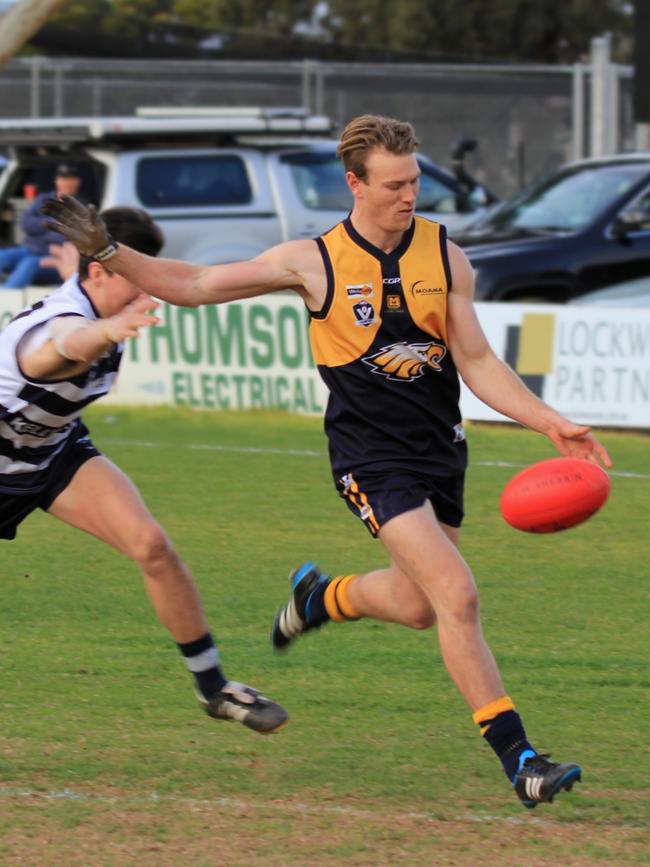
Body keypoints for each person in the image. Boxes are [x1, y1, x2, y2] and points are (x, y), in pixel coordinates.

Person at [42, 115, 611, 808]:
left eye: (414, 182)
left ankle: (320, 597)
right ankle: (521, 758)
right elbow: (193, 280)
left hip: (441, 451)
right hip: (369, 457)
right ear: (355, 183)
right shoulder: (312, 261)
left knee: (418, 604)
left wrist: (550, 420)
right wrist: (111, 253)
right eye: (395, 185)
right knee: (457, 592)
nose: (410, 196)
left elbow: (479, 361)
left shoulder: (446, 255)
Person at [0, 205, 287, 735]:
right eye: (135, 283)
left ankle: (213, 688)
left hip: (53, 454)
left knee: (151, 545)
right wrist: (106, 329)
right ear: (97, 272)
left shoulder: (114, 313)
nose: (148, 296)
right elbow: (54, 351)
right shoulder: (61, 321)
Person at [0, 164, 82, 289]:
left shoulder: (80, 208)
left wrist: (39, 226)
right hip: (30, 249)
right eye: (64, 179)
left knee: (29, 263)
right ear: (57, 181)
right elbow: (26, 223)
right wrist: (51, 223)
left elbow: (61, 239)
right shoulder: (43, 199)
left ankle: (4, 300)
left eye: (71, 179)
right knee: (3, 256)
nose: (67, 183)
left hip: (57, 259)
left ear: (77, 182)